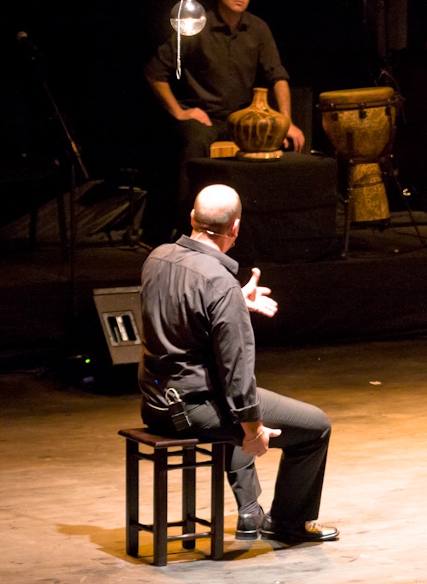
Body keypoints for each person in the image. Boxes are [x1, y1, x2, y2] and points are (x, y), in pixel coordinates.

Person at [137, 184, 338, 545]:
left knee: (230, 403)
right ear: (235, 228)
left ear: (192, 218)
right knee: (315, 427)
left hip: (156, 404)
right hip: (193, 410)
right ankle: (288, 523)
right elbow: (237, 373)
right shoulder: (220, 283)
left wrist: (233, 304)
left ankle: (249, 510)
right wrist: (254, 431)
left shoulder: (157, 258)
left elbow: (183, 315)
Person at [143, 0, 305, 242]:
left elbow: (277, 76)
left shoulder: (257, 28)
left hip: (241, 120)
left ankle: (267, 233)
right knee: (195, 141)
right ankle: (187, 230)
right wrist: (180, 111)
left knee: (286, 142)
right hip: (204, 117)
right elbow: (155, 71)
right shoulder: (197, 25)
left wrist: (285, 121)